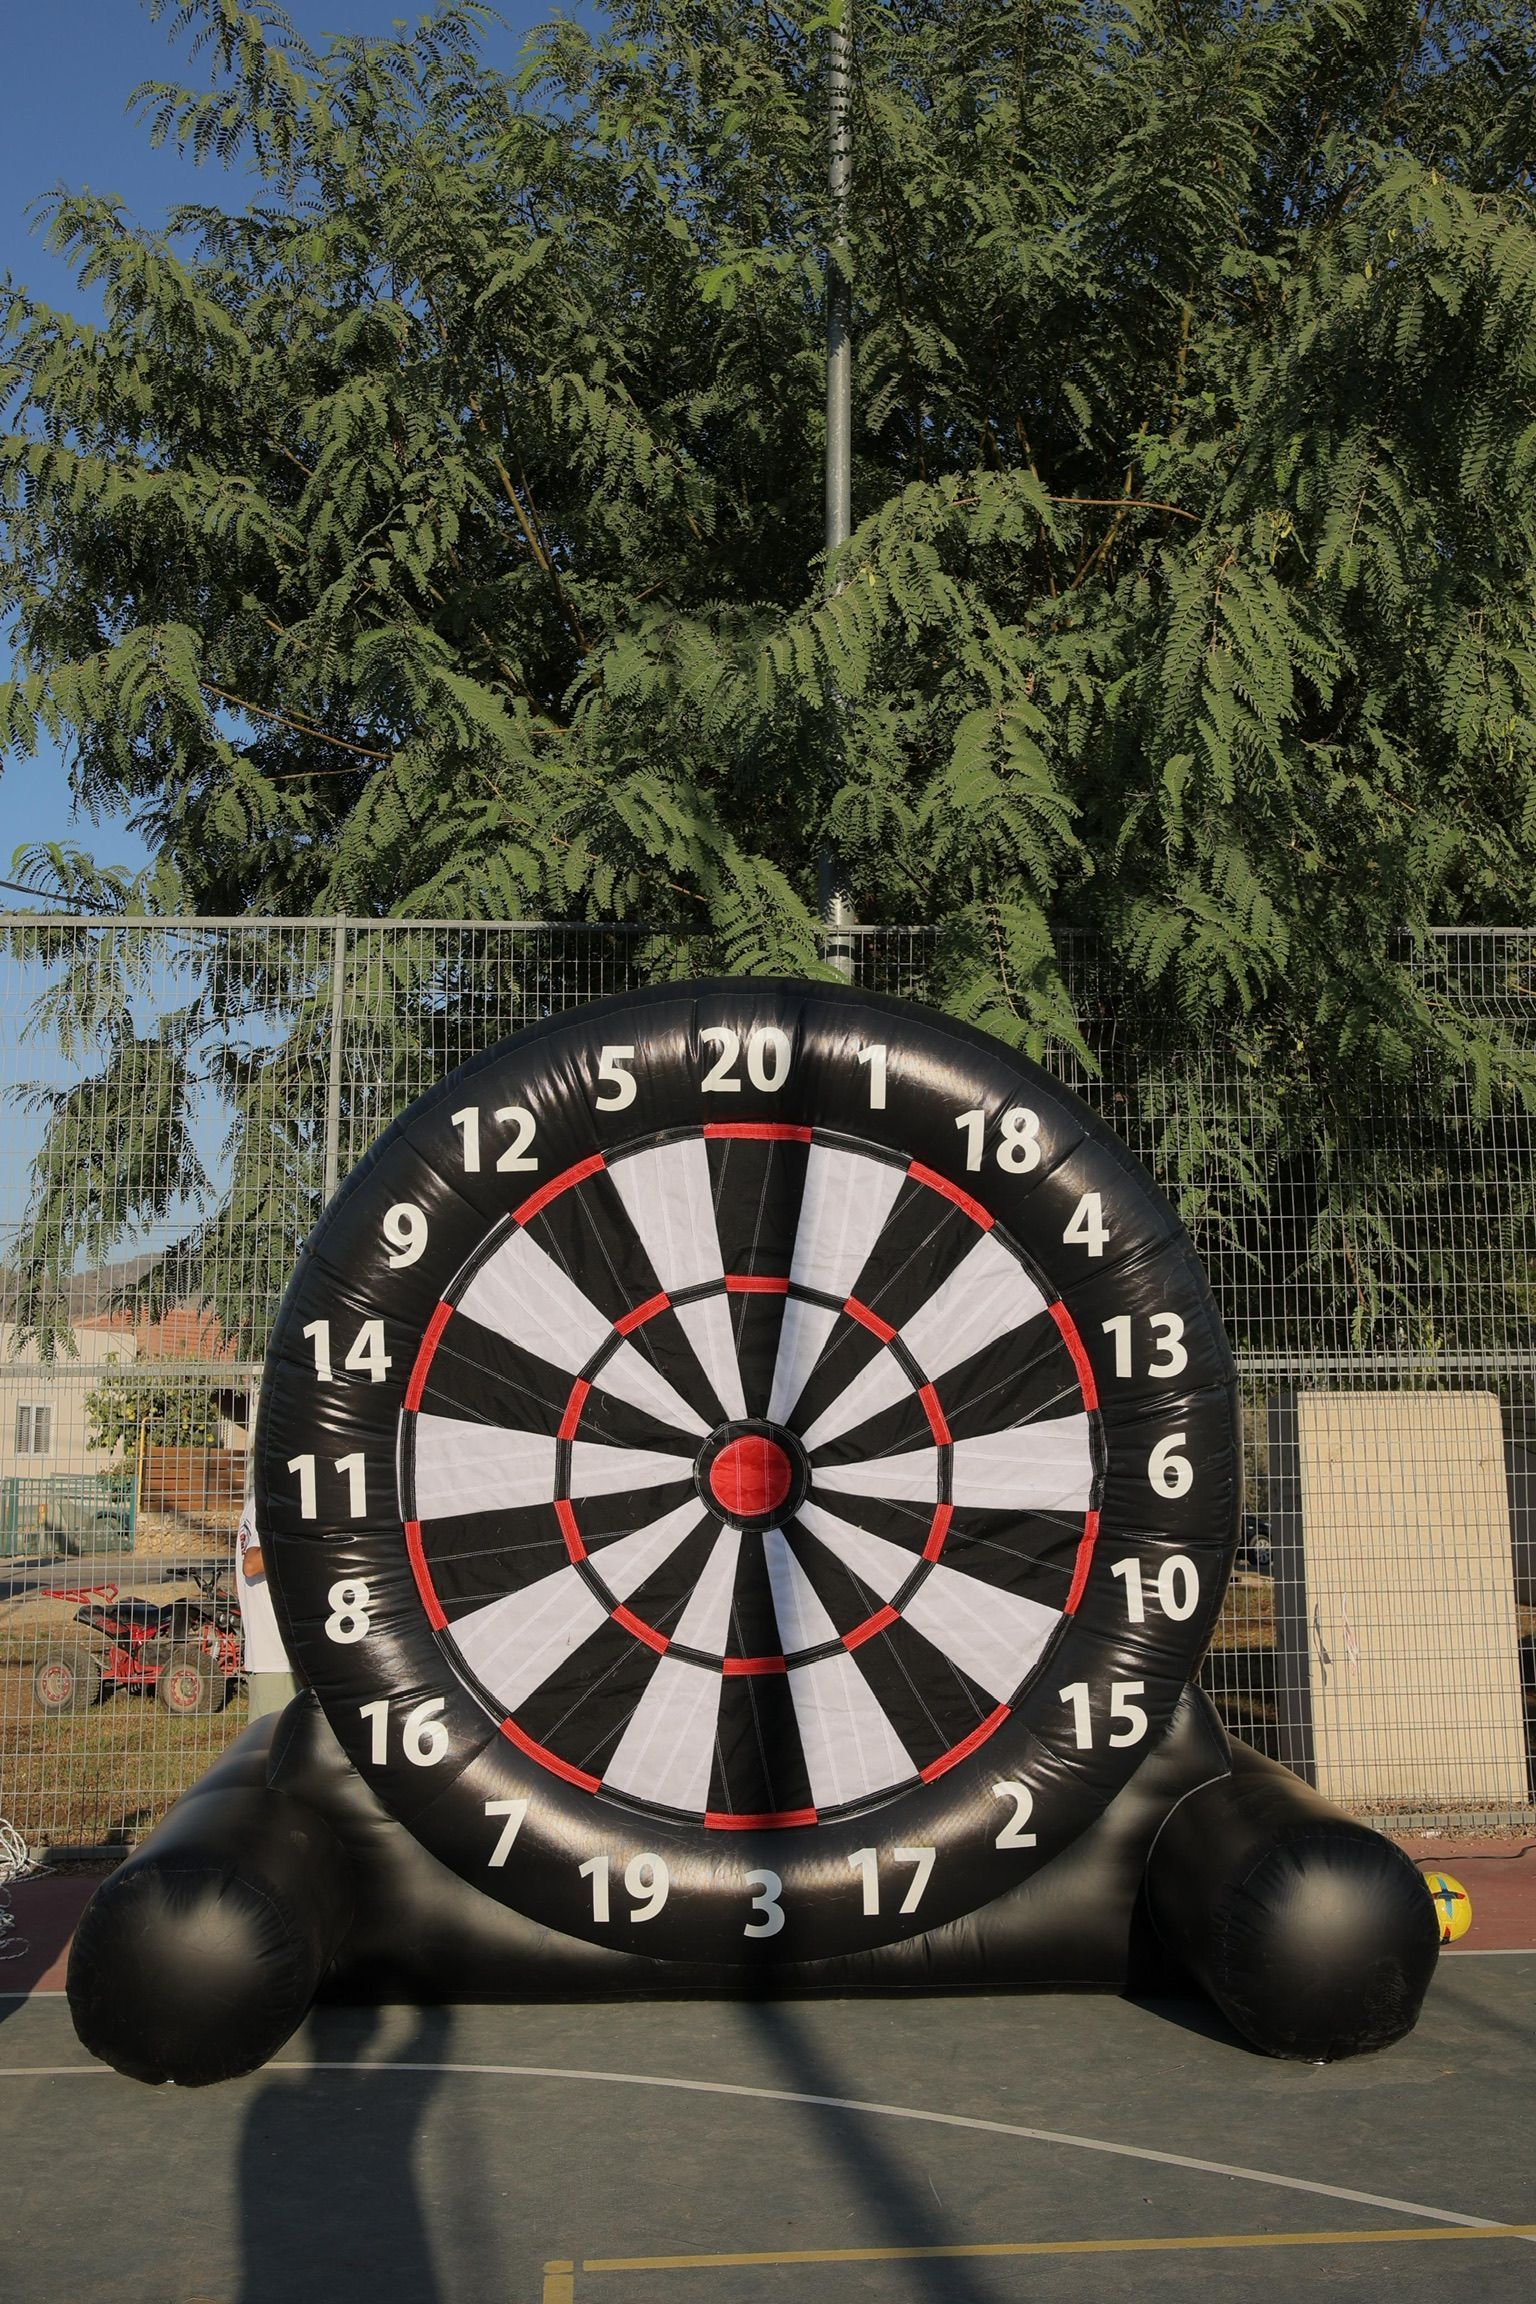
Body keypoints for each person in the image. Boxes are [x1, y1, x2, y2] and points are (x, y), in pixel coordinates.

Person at [236, 1470, 295, 1719]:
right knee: (275, 1738)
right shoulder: (272, 1502)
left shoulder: (261, 1501)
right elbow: (251, 1564)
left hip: (275, 1654)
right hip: (277, 1657)